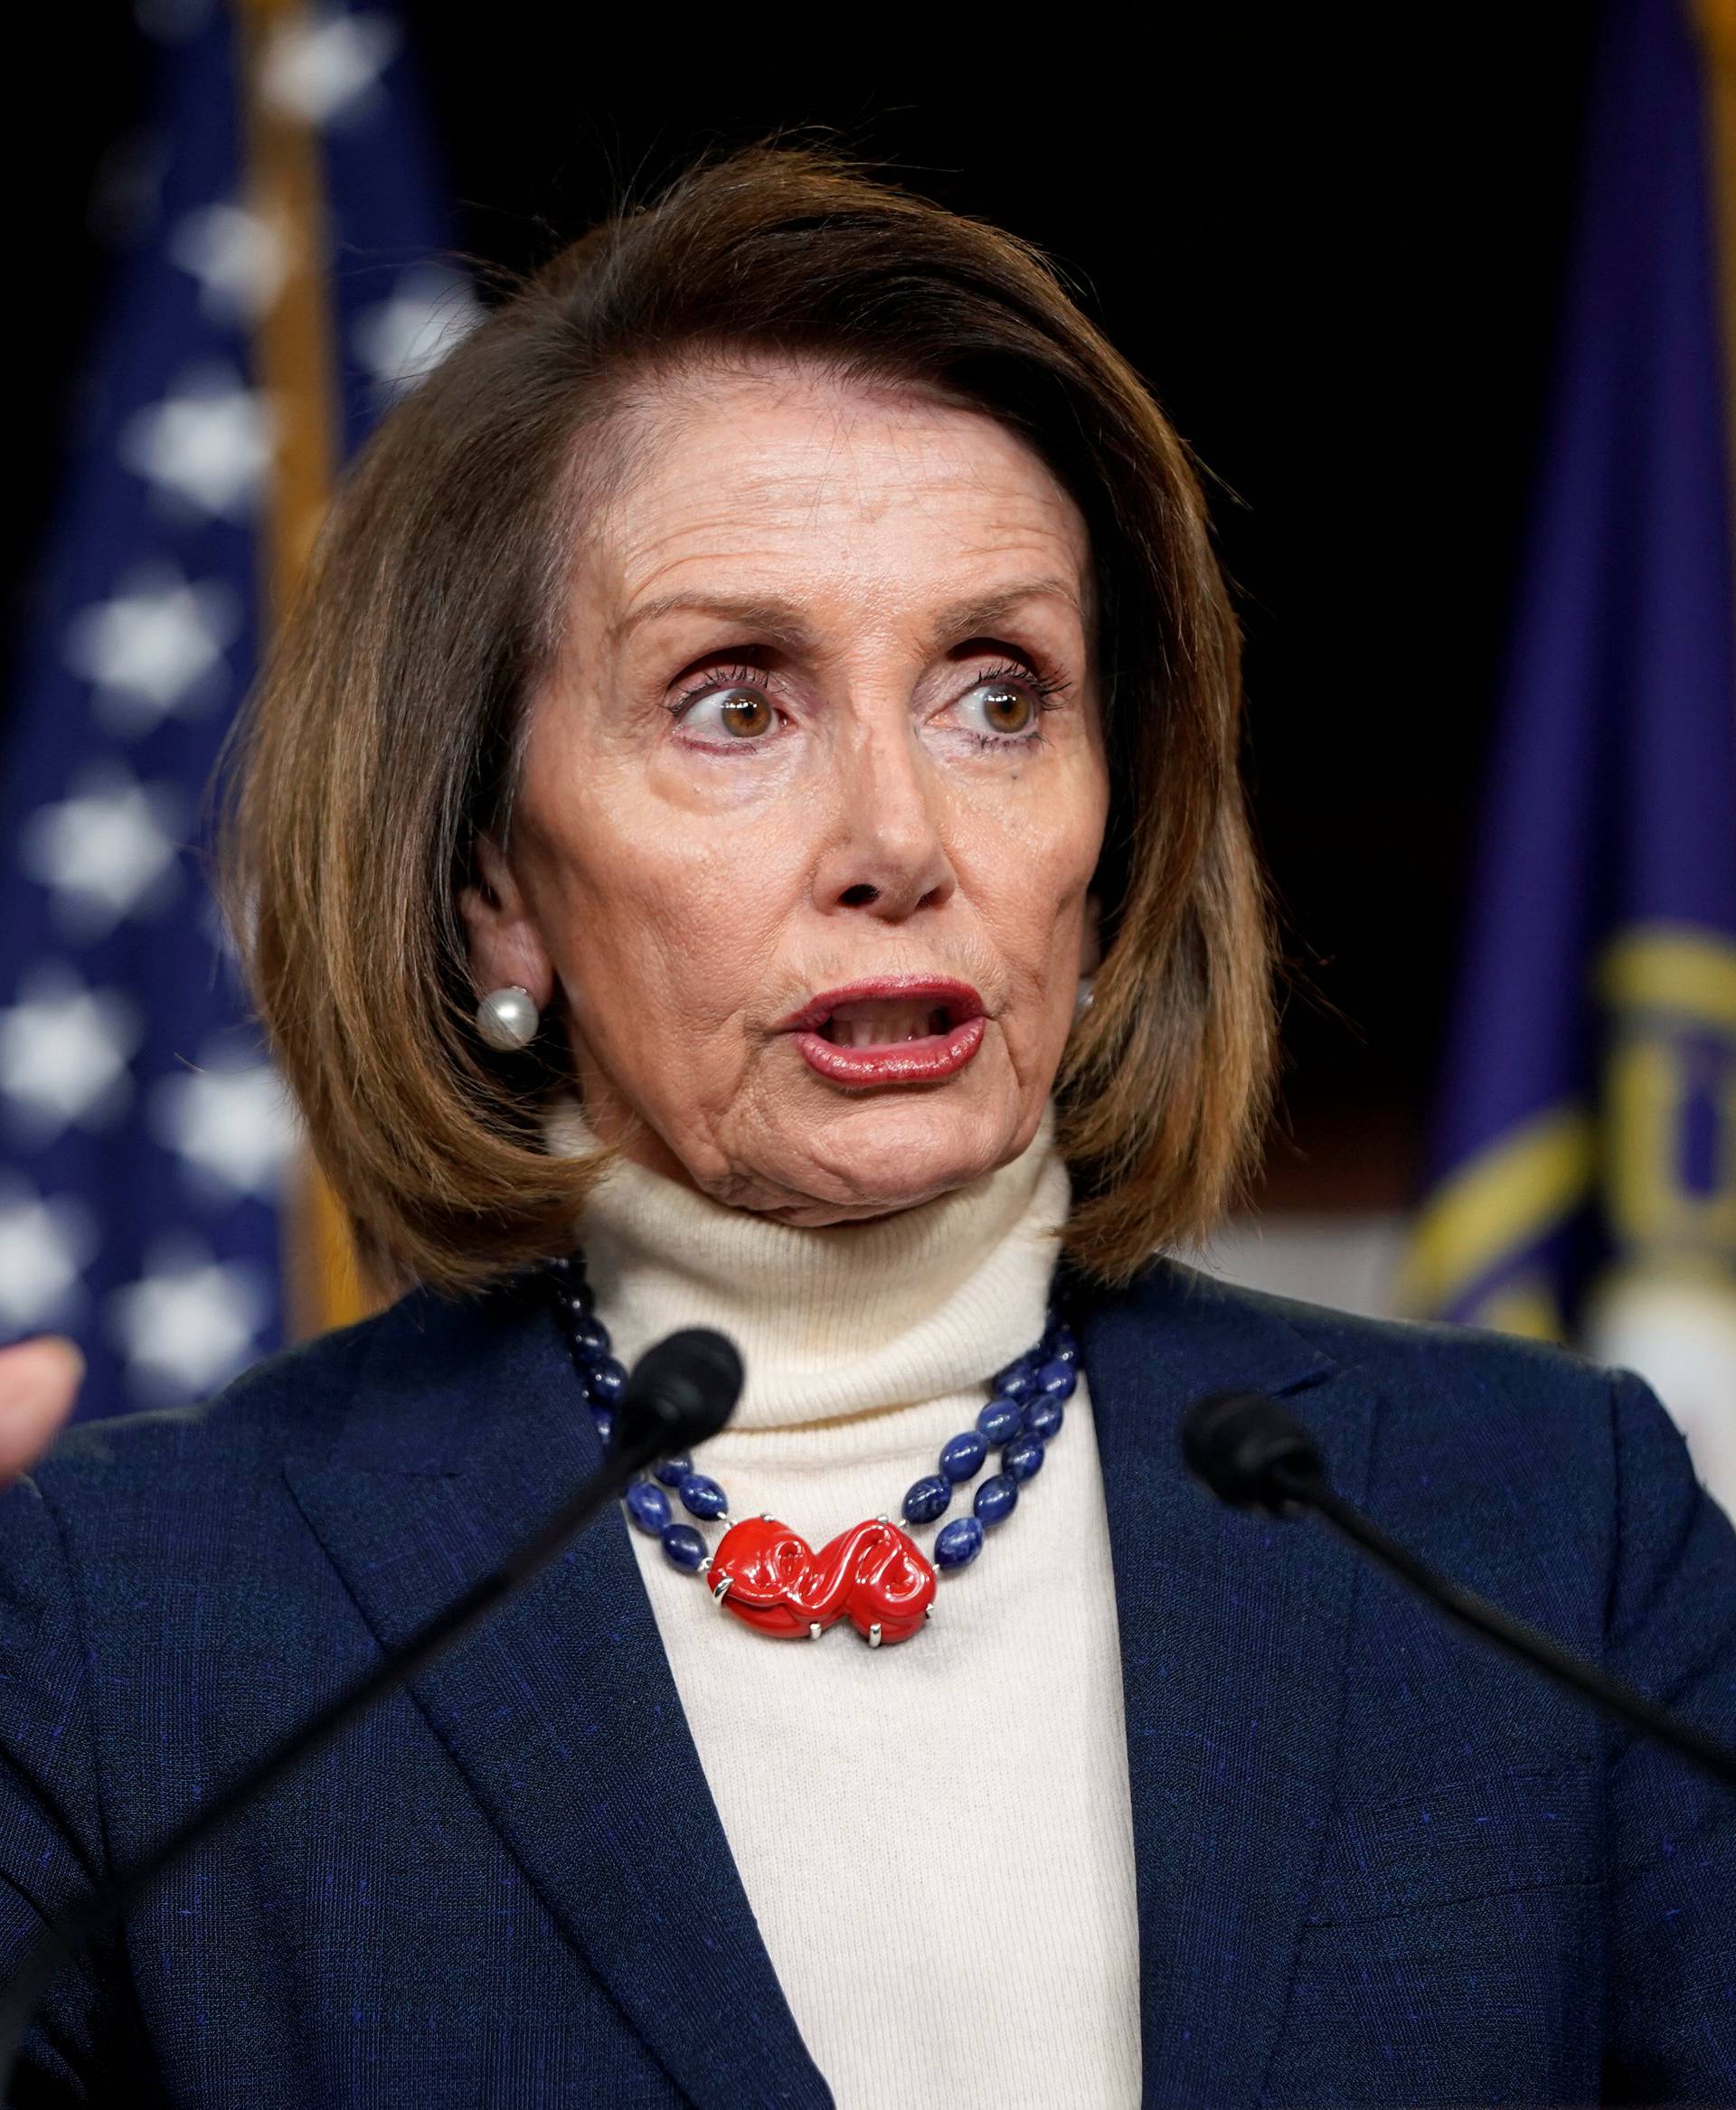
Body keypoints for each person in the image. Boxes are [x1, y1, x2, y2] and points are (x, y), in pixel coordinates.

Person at [0, 140, 1731, 2108]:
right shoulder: (131, 1617)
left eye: (1000, 696)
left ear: (1116, 820)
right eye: (735, 703)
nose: (903, 845)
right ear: (492, 878)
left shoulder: (1537, 1533)